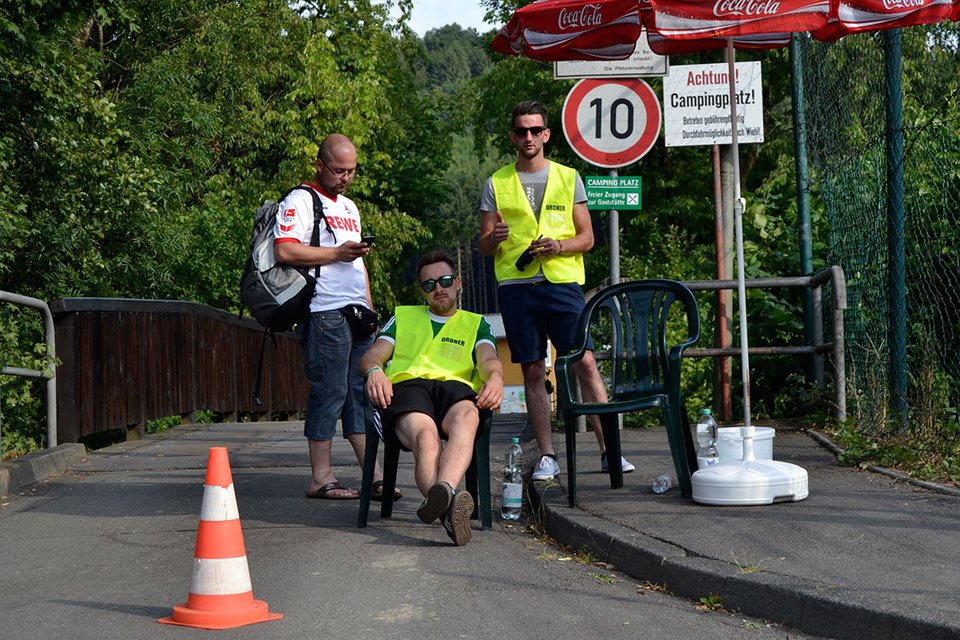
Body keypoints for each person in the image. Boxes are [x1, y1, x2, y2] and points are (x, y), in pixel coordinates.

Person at [478, 100, 635, 481]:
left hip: (563, 284)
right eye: (521, 130)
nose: (528, 137)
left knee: (583, 362)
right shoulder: (495, 182)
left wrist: (559, 246)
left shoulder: (569, 177)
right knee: (532, 368)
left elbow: (588, 238)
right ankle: (547, 455)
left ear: (546, 135)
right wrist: (493, 238)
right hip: (517, 288)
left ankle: (608, 450)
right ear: (513, 136)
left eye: (535, 130)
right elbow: (483, 245)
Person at [274, 133, 393, 502]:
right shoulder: (301, 199)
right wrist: (335, 254)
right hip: (323, 310)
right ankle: (320, 477)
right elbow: (285, 251)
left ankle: (372, 473)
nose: (345, 177)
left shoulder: (350, 207)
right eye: (339, 170)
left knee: (361, 393)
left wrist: (370, 308)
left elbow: (357, 262)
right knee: (330, 391)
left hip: (356, 312)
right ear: (320, 165)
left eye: (352, 171)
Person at [359, 250, 503, 546]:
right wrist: (375, 371)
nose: (439, 288)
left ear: (458, 282)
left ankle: (444, 497)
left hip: (454, 390)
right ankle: (451, 505)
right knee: (426, 438)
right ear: (421, 291)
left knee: (468, 416)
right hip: (408, 389)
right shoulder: (402, 318)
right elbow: (373, 355)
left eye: (445, 280)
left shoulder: (476, 324)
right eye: (429, 284)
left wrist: (497, 377)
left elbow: (488, 358)